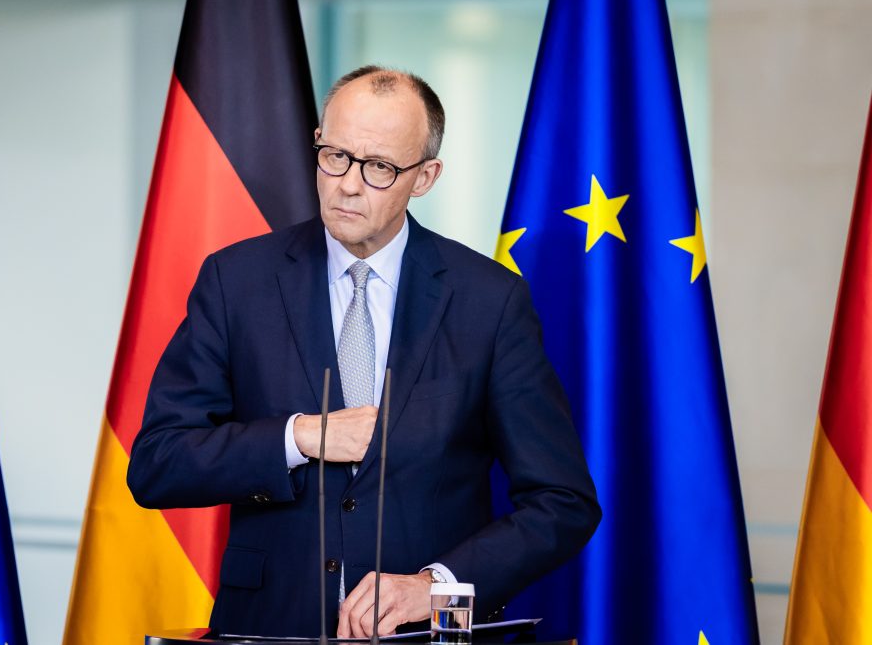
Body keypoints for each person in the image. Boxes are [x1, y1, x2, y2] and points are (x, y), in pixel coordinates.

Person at [127, 65, 600, 639]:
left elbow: (563, 500)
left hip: (428, 636)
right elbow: (157, 465)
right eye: (335, 156)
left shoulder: (489, 301)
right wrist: (297, 437)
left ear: (425, 177)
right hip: (270, 627)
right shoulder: (236, 281)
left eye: (378, 167)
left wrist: (435, 585)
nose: (347, 184)